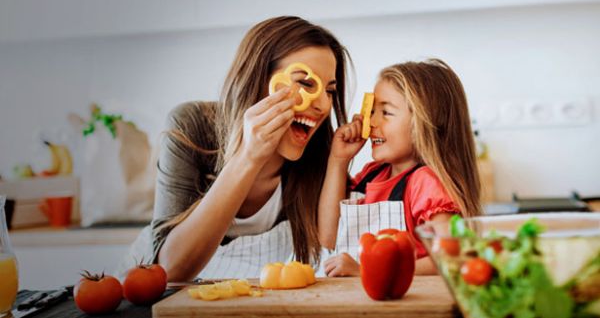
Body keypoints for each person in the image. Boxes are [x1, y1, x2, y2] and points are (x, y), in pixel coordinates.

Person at [142, 16, 351, 282]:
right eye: (306, 83)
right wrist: (249, 156)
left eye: (330, 90)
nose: (322, 104)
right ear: (258, 80)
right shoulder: (191, 125)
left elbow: (331, 243)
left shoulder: (321, 157)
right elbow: (170, 271)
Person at [318, 59, 481, 277]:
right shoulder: (372, 174)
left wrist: (367, 271)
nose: (371, 122)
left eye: (385, 112)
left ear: (423, 124)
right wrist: (338, 160)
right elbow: (329, 237)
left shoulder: (426, 183)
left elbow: (452, 256)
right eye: (372, 111)